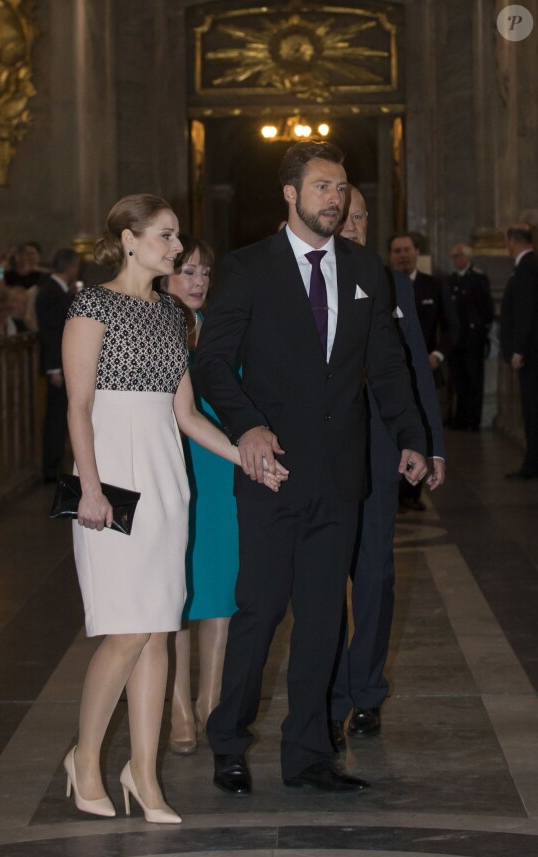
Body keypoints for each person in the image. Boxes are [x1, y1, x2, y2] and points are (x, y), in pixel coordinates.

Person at [195, 141, 428, 796]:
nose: (337, 197)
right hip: (271, 471)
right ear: (291, 195)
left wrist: (410, 435)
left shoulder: (362, 269)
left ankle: (307, 756)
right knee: (261, 609)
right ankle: (230, 741)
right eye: (323, 186)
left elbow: (384, 364)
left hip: (341, 476)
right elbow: (213, 361)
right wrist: (248, 427)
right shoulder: (247, 269)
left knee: (325, 617)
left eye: (343, 187)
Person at [61, 194, 286, 825]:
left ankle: (144, 775)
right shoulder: (92, 305)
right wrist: (90, 487)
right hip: (111, 476)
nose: (177, 248)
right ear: (129, 239)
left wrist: (247, 455)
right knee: (127, 629)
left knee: (159, 627)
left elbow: (185, 415)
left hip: (165, 479)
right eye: (165, 236)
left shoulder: (170, 314)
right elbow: (79, 407)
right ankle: (84, 763)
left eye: (178, 237)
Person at [330, 187, 445, 744]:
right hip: (324, 453)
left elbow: (415, 372)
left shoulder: (393, 284)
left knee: (374, 574)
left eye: (359, 218)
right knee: (324, 577)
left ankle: (366, 691)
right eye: (341, 217)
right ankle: (329, 693)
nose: (351, 226)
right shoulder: (308, 282)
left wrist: (430, 443)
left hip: (379, 448)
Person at [157, 234, 238, 755]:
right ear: (165, 272)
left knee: (220, 586)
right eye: (188, 271)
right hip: (174, 463)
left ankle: (212, 699)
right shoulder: (153, 325)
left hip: (222, 468)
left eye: (205, 273)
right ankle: (179, 707)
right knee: (177, 590)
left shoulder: (219, 328)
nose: (198, 282)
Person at [389, 232, 458, 511]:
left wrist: (437, 356)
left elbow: (452, 327)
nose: (403, 255)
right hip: (393, 377)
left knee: (426, 426)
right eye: (397, 251)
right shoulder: (383, 285)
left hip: (426, 371)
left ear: (417, 252)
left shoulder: (434, 285)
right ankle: (399, 492)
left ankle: (413, 493)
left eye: (407, 250)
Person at [35, 249, 81, 482]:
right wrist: (54, 368)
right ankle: (51, 469)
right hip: (58, 366)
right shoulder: (51, 292)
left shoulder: (59, 291)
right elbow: (52, 333)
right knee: (56, 417)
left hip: (62, 364)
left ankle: (55, 465)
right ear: (71, 267)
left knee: (60, 416)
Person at [500, 224, 538, 480]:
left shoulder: (526, 268)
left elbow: (525, 313)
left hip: (531, 355)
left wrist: (517, 350)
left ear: (512, 241)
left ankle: (532, 463)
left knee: (532, 409)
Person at [447, 244, 493, 431]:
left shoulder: (477, 278)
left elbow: (486, 309)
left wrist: (481, 330)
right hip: (456, 337)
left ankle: (473, 419)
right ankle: (460, 417)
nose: (456, 259)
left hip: (473, 337)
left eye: (459, 256)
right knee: (459, 379)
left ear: (467, 257)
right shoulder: (450, 280)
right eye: (454, 256)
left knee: (474, 379)